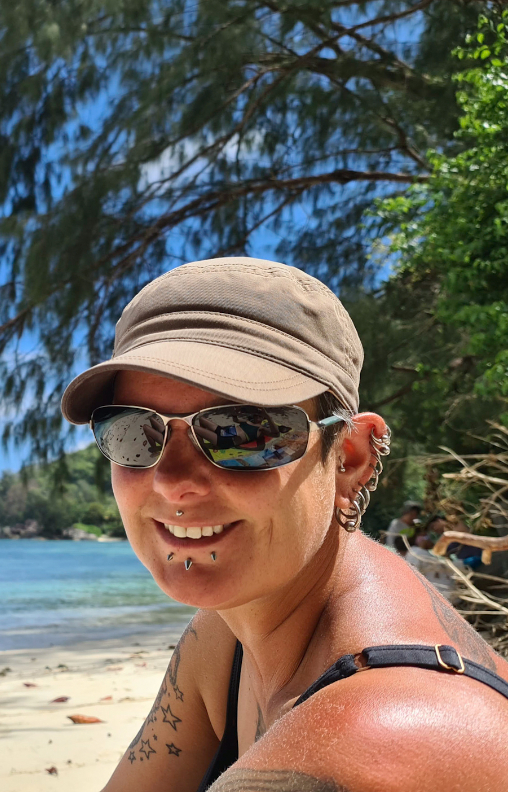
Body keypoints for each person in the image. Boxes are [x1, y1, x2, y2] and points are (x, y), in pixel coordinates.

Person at [60, 258, 508, 792]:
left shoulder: (389, 739)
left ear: (349, 457)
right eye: (134, 433)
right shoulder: (225, 634)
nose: (172, 482)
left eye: (243, 432)